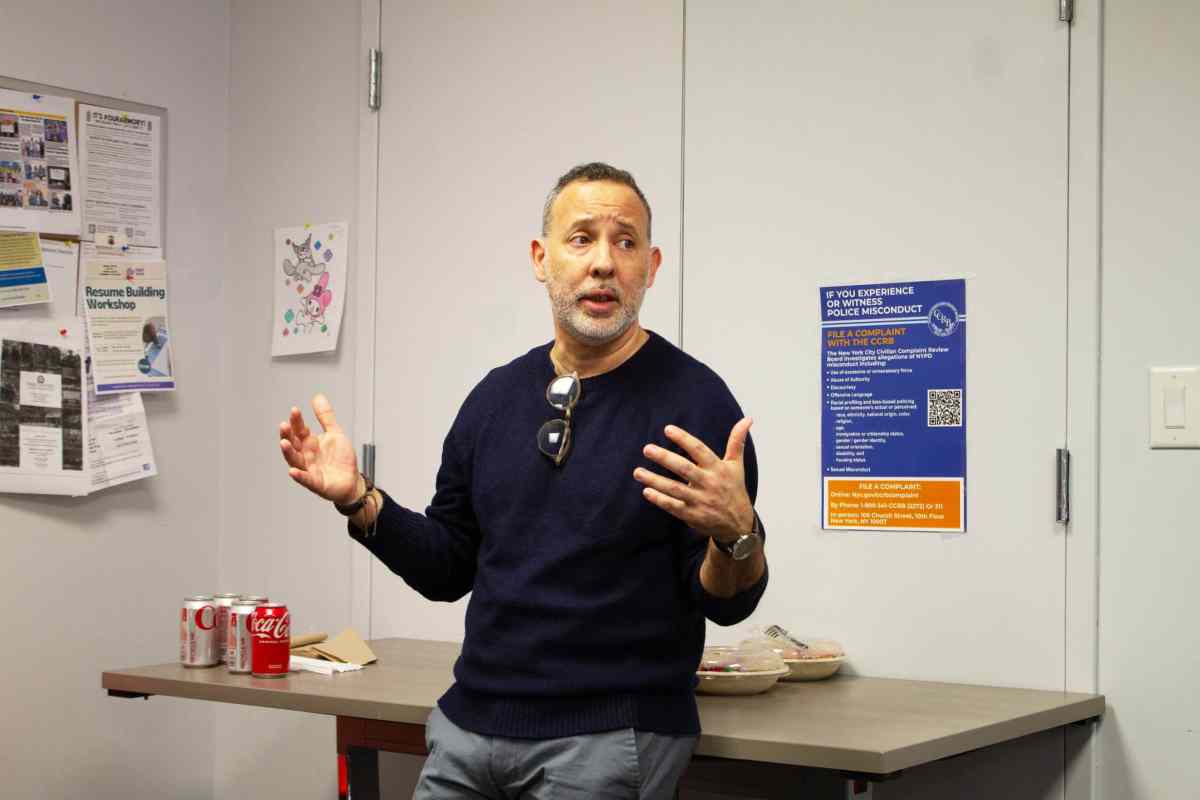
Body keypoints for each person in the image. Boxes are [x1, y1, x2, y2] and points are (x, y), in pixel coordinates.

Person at [278, 163, 768, 799]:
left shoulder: (697, 405)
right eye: (581, 238)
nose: (603, 263)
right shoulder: (494, 399)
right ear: (542, 259)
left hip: (609, 739)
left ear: (650, 265)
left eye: (625, 243)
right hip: (468, 729)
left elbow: (728, 603)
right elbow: (448, 568)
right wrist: (359, 499)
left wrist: (738, 535)